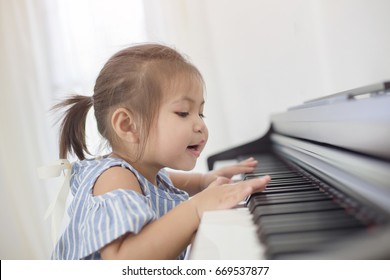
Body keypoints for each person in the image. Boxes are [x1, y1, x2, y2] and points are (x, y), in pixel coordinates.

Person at [51, 43, 270, 260]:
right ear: (128, 125)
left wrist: (204, 181)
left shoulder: (143, 173)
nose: (200, 125)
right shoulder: (114, 178)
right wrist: (197, 207)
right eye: (183, 113)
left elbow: (174, 182)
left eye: (201, 114)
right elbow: (124, 261)